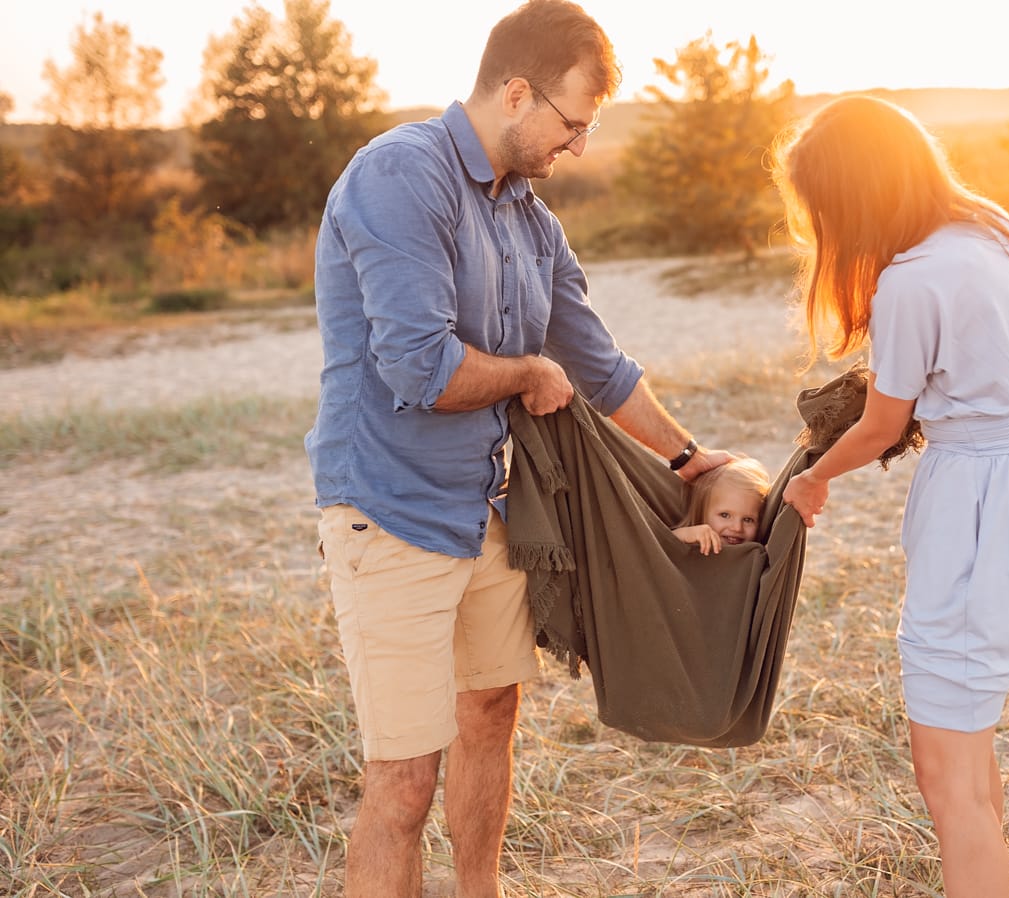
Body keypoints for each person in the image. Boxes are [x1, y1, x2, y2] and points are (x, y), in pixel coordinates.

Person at [303, 2, 731, 896]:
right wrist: (528, 372)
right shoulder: (400, 176)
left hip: (490, 515)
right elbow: (419, 367)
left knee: (491, 716)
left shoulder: (531, 219)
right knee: (404, 779)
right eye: (572, 123)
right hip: (391, 512)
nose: (577, 146)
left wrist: (695, 464)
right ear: (515, 93)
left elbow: (600, 367)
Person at [771, 96, 1009, 898]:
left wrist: (810, 478)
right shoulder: (992, 229)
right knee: (967, 757)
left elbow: (879, 427)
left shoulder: (912, 278)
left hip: (974, 510)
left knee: (946, 777)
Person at [671, 456, 772, 555]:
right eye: (725, 515)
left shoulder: (756, 554)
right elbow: (660, 549)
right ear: (700, 512)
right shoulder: (690, 538)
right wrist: (683, 535)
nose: (737, 528)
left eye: (748, 520)